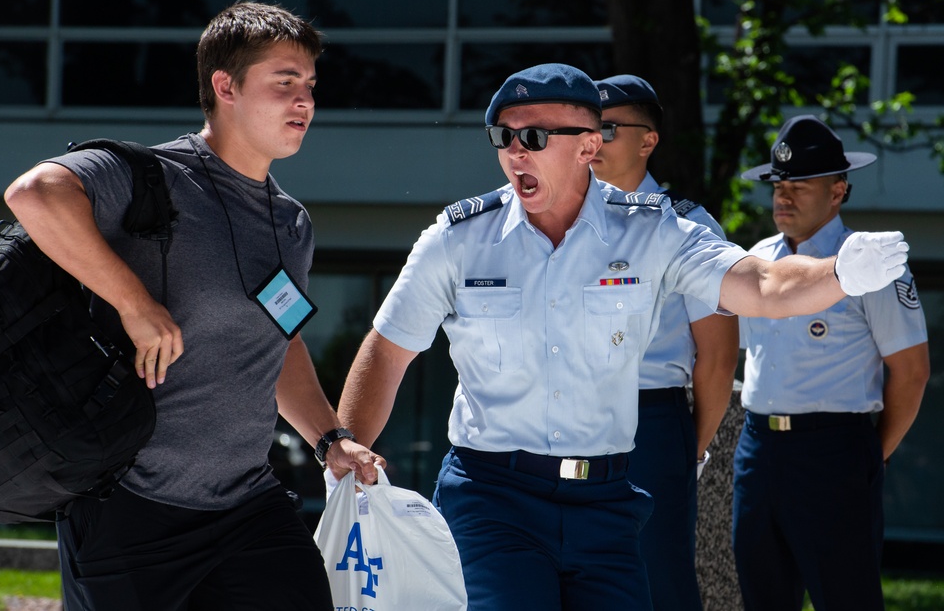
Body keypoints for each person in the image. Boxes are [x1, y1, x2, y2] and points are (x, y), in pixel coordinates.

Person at [333, 63, 909, 611]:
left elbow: (757, 283)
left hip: (607, 500)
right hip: (492, 497)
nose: (513, 152)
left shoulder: (651, 230)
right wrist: (347, 444)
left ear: (588, 145)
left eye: (533, 136)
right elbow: (388, 347)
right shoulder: (459, 239)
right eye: (502, 136)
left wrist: (839, 272)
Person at [4, 1, 384, 610]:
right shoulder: (151, 177)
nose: (304, 101)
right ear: (225, 85)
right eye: (284, 82)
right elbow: (36, 193)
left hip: (249, 509)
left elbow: (277, 341)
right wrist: (133, 302)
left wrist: (328, 438)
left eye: (310, 86)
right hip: (129, 510)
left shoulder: (290, 223)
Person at [732, 114, 930, 611]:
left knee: (846, 598)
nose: (784, 194)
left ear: (838, 191)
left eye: (800, 183)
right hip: (758, 450)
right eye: (779, 183)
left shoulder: (870, 264)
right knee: (761, 597)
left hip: (833, 451)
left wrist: (867, 453)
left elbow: (911, 370)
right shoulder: (756, 259)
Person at [590, 74, 738, 611]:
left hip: (650, 422)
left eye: (607, 129)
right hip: (567, 418)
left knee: (658, 582)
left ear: (647, 141)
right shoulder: (562, 223)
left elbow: (718, 358)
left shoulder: (688, 226)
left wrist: (688, 449)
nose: (592, 141)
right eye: (585, 128)